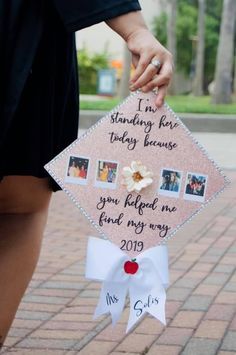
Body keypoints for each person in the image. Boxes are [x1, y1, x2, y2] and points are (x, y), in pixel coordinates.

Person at [0, 0, 173, 346]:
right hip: (29, 34)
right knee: (19, 210)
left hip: (30, 33)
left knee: (21, 204)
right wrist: (134, 29)